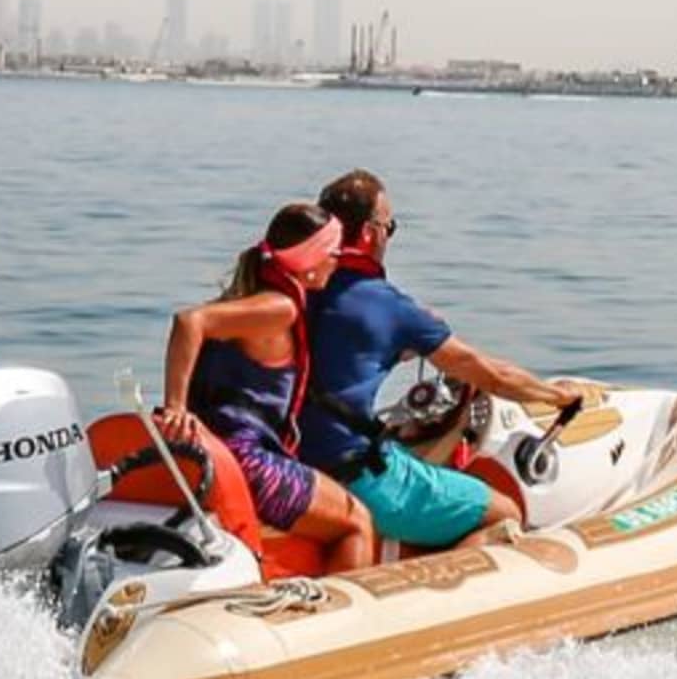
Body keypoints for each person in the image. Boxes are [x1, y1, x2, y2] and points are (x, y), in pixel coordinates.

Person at [292, 169, 587, 551]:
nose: (388, 235)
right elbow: (493, 376)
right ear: (370, 233)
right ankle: (434, 592)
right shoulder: (385, 304)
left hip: (291, 462)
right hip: (350, 473)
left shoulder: (295, 287)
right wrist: (557, 396)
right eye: (389, 226)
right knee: (503, 512)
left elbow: (333, 348)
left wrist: (400, 346)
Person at [156, 203, 377, 574]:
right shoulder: (280, 308)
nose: (337, 262)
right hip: (247, 461)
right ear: (310, 259)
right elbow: (189, 321)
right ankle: (344, 623)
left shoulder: (250, 299)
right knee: (357, 521)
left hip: (217, 452)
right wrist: (176, 407)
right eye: (333, 253)